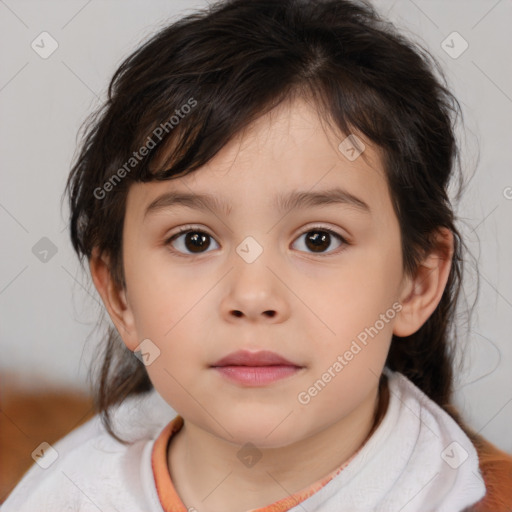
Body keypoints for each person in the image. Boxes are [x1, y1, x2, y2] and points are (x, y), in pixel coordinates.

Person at [3, 0, 512, 510]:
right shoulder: (61, 493)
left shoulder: (474, 496)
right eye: (194, 240)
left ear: (416, 282)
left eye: (319, 239)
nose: (253, 297)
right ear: (119, 293)